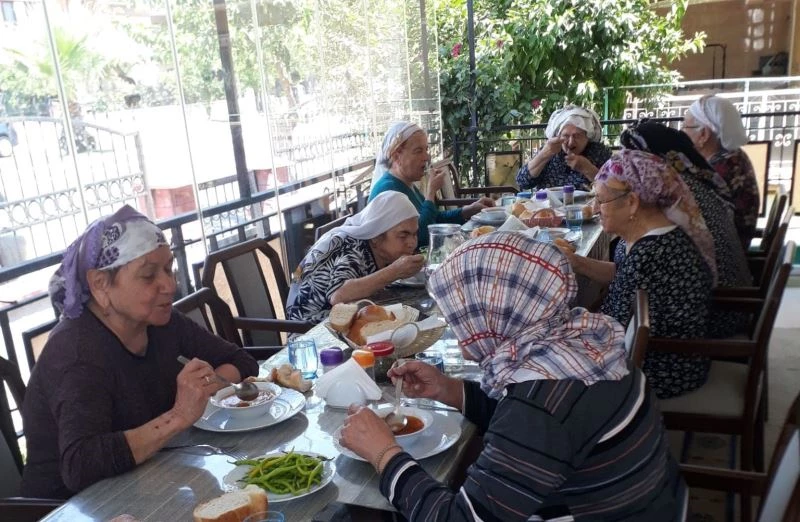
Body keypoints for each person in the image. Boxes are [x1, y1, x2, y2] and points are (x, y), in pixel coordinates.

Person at [340, 232, 687, 521]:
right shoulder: (574, 342)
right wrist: (449, 390)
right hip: (650, 504)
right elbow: (535, 432)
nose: (457, 329)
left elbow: (461, 517)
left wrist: (384, 454)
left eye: (462, 314)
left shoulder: (540, 405)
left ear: (493, 311)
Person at [21, 205, 259, 499]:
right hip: (74, 506)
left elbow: (240, 361)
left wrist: (203, 389)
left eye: (168, 268)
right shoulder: (77, 352)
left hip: (155, 474)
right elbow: (80, 465)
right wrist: (178, 416)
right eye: (148, 276)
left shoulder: (161, 321)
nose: (169, 285)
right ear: (100, 285)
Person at [558, 150, 715, 399]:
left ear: (632, 202)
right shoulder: (645, 234)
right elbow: (622, 274)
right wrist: (576, 262)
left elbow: (614, 332)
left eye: (600, 200)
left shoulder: (651, 253)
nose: (595, 209)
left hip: (663, 368)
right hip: (661, 353)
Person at [620, 121, 752, 338]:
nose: (628, 168)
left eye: (635, 159)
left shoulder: (674, 197)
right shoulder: (692, 179)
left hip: (718, 309)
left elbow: (641, 262)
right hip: (730, 297)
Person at [286, 191, 425, 323]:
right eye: (403, 236)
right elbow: (338, 296)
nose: (412, 243)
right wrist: (395, 271)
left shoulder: (374, 246)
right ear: (376, 236)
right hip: (311, 328)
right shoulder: (353, 247)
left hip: (344, 319)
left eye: (414, 234)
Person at [368, 121, 494, 247]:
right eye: (418, 151)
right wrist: (431, 193)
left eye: (426, 149)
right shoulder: (388, 190)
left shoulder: (407, 183)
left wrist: (469, 210)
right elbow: (420, 236)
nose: (426, 157)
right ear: (397, 156)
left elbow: (435, 218)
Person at [684, 94, 760, 250]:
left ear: (703, 135)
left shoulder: (721, 167)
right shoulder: (732, 156)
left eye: (685, 127)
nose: (681, 133)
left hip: (726, 254)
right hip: (733, 247)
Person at [516, 105, 612, 191]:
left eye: (577, 136)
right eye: (566, 136)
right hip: (549, 204)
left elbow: (613, 189)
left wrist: (587, 168)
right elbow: (523, 182)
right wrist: (543, 155)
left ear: (588, 137)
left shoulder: (600, 152)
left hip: (587, 205)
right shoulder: (550, 149)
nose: (571, 142)